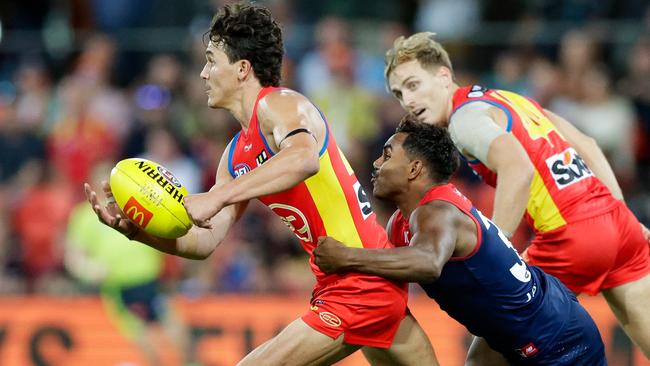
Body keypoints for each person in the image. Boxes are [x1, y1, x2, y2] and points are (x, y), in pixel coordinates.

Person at [85, 4, 438, 365]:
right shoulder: (234, 155)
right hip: (353, 281)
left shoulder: (283, 105)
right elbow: (205, 241)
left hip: (360, 283)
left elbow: (302, 158)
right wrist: (139, 232)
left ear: (242, 69)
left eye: (211, 60)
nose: (204, 73)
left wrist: (217, 195)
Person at [383, 32, 650, 359]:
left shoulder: (464, 119)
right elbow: (587, 144)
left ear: (443, 75)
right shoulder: (509, 99)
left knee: (483, 358)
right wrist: (622, 214)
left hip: (570, 237)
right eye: (398, 93)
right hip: (617, 226)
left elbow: (517, 167)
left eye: (412, 85)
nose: (407, 101)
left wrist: (497, 249)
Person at [314, 117, 607, 365]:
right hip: (519, 332)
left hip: (560, 341)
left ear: (415, 169)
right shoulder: (402, 222)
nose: (377, 163)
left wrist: (346, 257)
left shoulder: (438, 212)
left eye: (388, 155)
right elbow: (387, 287)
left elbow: (427, 264)